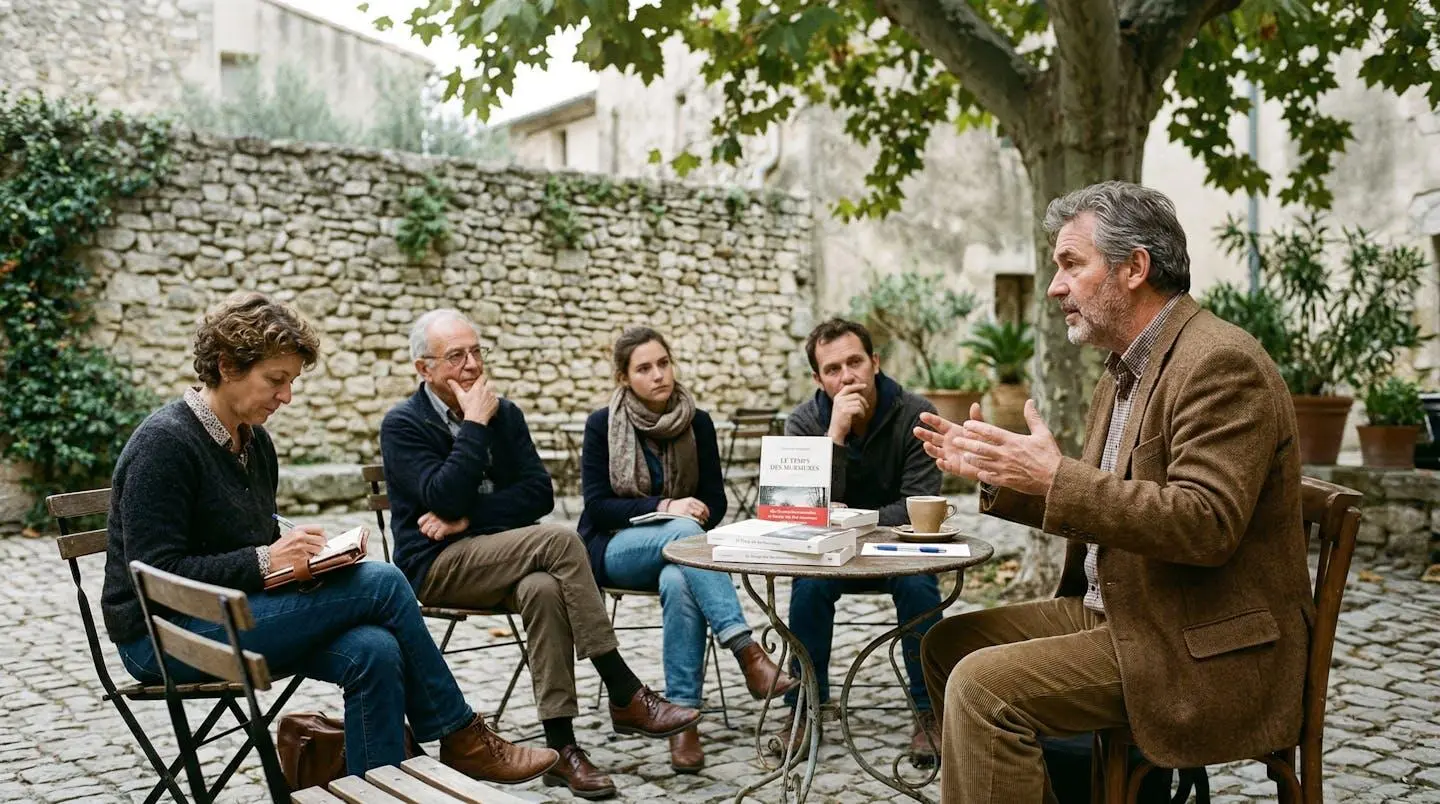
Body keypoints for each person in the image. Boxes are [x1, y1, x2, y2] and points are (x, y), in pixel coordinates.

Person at [914, 181, 1312, 803]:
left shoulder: (1221, 362)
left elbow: (1205, 524)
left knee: (982, 689)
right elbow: (1105, 502)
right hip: (1128, 611)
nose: (1053, 287)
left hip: (1195, 642)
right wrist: (1006, 476)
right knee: (946, 646)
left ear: (1135, 268)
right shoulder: (1125, 368)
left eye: (1072, 264)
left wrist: (1052, 476)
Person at [103, 293, 559, 782]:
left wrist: (309, 554)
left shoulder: (254, 440)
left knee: (376, 651)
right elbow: (155, 574)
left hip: (231, 611)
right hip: (163, 634)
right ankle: (460, 733)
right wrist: (265, 561)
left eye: (291, 382)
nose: (287, 397)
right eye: (276, 381)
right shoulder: (165, 443)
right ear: (228, 365)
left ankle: (378, 791)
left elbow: (251, 534)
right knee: (382, 583)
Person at [379, 309, 701, 801]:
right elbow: (441, 497)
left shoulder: (505, 414)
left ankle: (562, 749)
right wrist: (473, 425)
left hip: (503, 556)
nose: (471, 365)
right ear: (424, 369)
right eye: (456, 356)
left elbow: (537, 495)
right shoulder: (404, 424)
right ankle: (623, 689)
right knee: (558, 540)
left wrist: (470, 516)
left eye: (476, 352)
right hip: (436, 566)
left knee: (545, 586)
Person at [578, 326, 798, 773]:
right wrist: (666, 507)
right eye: (644, 368)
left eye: (663, 363)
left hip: (682, 552)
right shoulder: (604, 424)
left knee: (680, 579)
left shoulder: (696, 422)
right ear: (625, 378)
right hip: (617, 550)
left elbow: (715, 500)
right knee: (682, 533)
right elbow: (598, 506)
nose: (658, 374)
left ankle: (683, 722)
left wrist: (690, 516)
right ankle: (745, 650)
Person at [777, 318, 946, 765]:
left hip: (895, 548)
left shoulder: (916, 414)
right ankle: (804, 709)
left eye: (855, 362)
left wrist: (845, 521)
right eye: (833, 369)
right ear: (818, 379)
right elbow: (802, 510)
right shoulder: (804, 421)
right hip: (828, 553)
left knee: (919, 584)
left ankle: (928, 712)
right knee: (807, 585)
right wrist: (833, 437)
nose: (847, 376)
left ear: (874, 362)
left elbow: (918, 505)